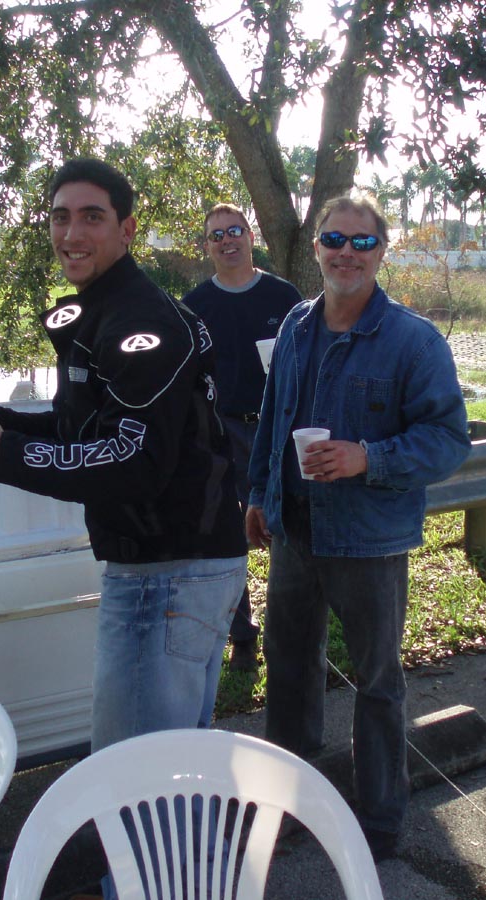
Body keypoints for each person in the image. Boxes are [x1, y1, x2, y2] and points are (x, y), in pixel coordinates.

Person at [0, 158, 248, 759]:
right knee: (172, 769)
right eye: (60, 217)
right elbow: (82, 428)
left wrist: (3, 455)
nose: (72, 233)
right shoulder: (106, 310)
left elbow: (134, 463)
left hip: (168, 574)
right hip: (177, 568)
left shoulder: (140, 322)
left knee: (135, 776)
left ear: (126, 230)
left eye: (91, 217)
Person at [245, 196, 471, 861]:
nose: (347, 252)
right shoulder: (295, 324)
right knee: (289, 670)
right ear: (317, 247)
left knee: (376, 683)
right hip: (294, 532)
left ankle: (378, 823)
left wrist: (366, 457)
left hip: (369, 540)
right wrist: (259, 493)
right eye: (334, 239)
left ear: (381, 252)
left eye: (363, 242)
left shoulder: (413, 341)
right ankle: (290, 807)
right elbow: (272, 418)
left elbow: (448, 441)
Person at [182, 203, 302, 672]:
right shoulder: (194, 306)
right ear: (207, 246)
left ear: (250, 237)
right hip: (222, 431)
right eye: (216, 235)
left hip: (278, 430)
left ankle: (292, 630)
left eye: (234, 231)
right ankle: (243, 636)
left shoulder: (283, 296)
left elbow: (305, 363)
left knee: (287, 527)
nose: (227, 241)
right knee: (229, 537)